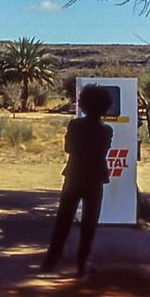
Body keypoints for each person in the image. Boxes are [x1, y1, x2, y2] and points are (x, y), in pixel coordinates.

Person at [41, 83, 115, 277]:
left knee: (63, 219)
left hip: (74, 176)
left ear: (83, 104)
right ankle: (83, 264)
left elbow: (68, 148)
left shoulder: (75, 125)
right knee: (90, 223)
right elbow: (103, 151)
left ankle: (50, 261)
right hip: (95, 179)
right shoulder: (106, 130)